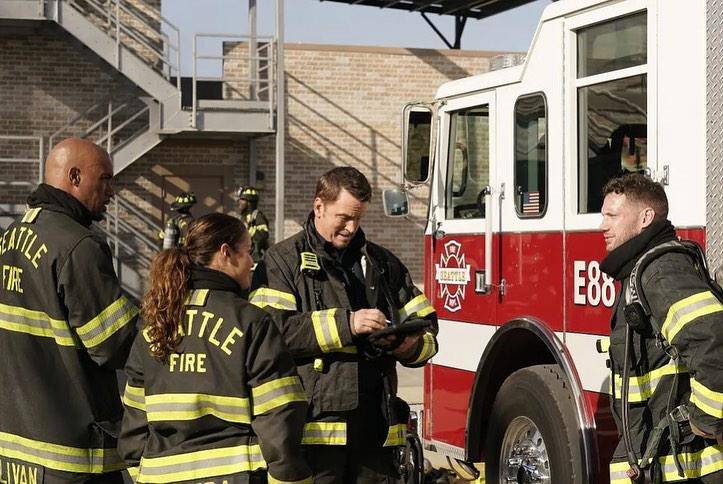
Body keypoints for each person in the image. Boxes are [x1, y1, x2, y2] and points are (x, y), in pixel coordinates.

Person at [250, 167, 438, 483]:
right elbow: (270, 332)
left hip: (377, 435)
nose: (351, 228)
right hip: (315, 437)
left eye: (358, 219)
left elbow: (427, 325)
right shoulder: (281, 262)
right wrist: (347, 324)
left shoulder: (382, 263)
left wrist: (410, 345)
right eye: (344, 217)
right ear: (319, 206)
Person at [118, 213, 312, 484]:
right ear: (225, 253)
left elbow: (134, 424)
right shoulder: (251, 321)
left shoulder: (155, 324)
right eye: (247, 252)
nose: (252, 262)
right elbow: (279, 416)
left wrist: (146, 473)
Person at [0, 138, 138, 483]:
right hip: (72, 458)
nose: (112, 191)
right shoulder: (78, 246)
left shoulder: (10, 238)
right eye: (105, 179)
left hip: (14, 454)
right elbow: (116, 344)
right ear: (74, 176)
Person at [599, 174, 722, 483]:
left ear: (645, 218)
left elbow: (713, 337)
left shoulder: (661, 272)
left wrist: (706, 420)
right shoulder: (642, 270)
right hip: (659, 461)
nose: (602, 225)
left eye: (612, 216)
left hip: (683, 467)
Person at [237, 186, 269, 265]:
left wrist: (248, 229)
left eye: (242, 199)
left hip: (256, 259)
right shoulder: (243, 217)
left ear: (249, 202)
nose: (239, 202)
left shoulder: (257, 216)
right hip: (245, 257)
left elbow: (263, 235)